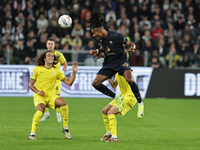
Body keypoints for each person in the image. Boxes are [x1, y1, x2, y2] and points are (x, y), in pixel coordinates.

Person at [88, 9, 144, 118]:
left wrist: (133, 47)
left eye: (94, 33)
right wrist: (98, 51)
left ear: (100, 30)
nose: (94, 36)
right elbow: (105, 48)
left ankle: (140, 103)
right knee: (95, 83)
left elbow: (130, 43)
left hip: (121, 61)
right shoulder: (101, 40)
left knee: (129, 79)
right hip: (109, 63)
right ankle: (116, 97)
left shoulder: (116, 36)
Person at [28, 50, 78, 140]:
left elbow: (69, 83)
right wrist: (38, 91)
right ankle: (32, 134)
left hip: (51, 95)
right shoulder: (37, 69)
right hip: (40, 96)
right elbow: (30, 85)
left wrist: (74, 73)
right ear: (44, 59)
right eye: (49, 56)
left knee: (63, 103)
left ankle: (65, 128)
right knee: (41, 110)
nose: (51, 57)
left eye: (52, 56)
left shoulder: (57, 71)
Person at [100, 50, 137, 142]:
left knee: (110, 112)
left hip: (129, 98)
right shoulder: (118, 70)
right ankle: (109, 133)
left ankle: (115, 137)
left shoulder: (126, 70)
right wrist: (108, 76)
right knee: (104, 111)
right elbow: (113, 85)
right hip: (122, 96)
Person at [40, 39, 68, 122]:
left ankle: (58, 114)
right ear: (46, 45)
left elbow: (65, 64)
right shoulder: (44, 55)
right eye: (49, 43)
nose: (50, 45)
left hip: (56, 80)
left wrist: (61, 73)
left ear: (54, 45)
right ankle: (46, 113)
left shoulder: (59, 54)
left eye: (52, 44)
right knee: (44, 96)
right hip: (47, 79)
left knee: (57, 96)